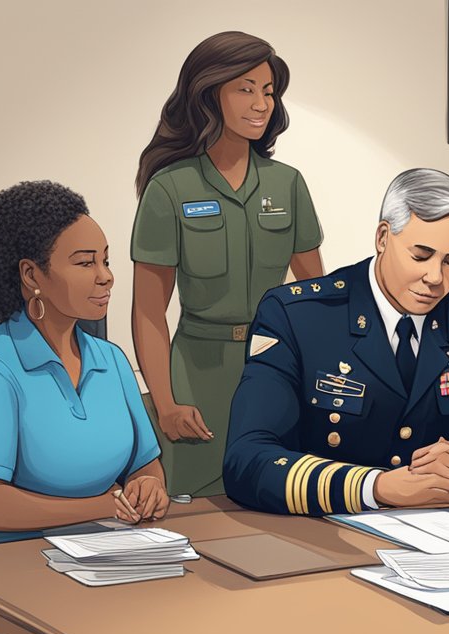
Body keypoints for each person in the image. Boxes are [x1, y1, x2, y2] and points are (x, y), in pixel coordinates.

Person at [223, 168, 449, 514]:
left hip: (444, 526)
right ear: (382, 238)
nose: (436, 278)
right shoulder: (298, 315)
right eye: (420, 256)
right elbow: (246, 458)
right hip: (327, 527)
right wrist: (376, 487)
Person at [131, 31, 324, 500]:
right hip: (195, 376)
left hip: (274, 369)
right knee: (192, 507)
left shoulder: (288, 184)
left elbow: (316, 297)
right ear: (207, 93)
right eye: (245, 89)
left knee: (279, 501)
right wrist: (165, 400)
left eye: (268, 91)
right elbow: (148, 312)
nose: (261, 104)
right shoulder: (169, 189)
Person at [0, 181, 170, 547]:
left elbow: (145, 463)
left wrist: (148, 485)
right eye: (85, 263)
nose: (106, 276)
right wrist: (102, 507)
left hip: (111, 549)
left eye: (105, 260)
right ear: (32, 275)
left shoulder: (111, 359)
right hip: (11, 563)